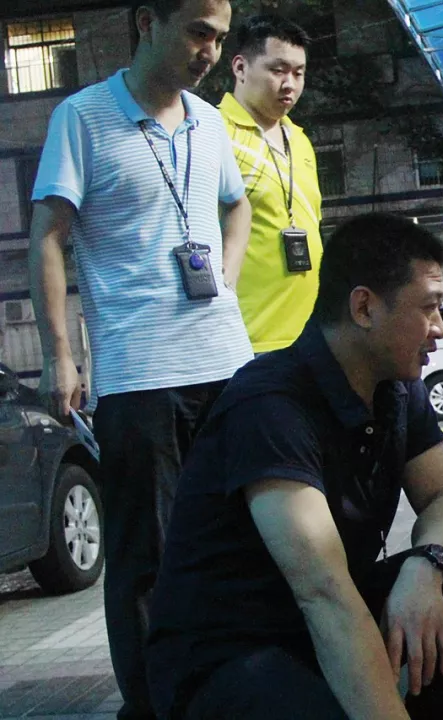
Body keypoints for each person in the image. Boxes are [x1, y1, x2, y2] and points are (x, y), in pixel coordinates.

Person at [145, 213, 443, 720]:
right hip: (230, 653)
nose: (439, 326)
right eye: (429, 307)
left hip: (319, 617)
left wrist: (426, 566)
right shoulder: (271, 405)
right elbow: (322, 595)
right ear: (364, 307)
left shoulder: (396, 386)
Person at [27, 1, 251, 717]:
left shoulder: (209, 122)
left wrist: (226, 283)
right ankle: (155, 706)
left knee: (240, 541)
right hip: (139, 376)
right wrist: (60, 354)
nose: (209, 51)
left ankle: (226, 686)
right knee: (146, 562)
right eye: (197, 32)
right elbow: (47, 237)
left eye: (219, 36)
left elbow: (237, 205)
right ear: (147, 22)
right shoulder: (83, 118)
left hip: (227, 365)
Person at [220, 13, 325, 353]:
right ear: (240, 68)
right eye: (278, 70)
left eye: (299, 73)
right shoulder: (213, 133)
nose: (290, 84)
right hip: (246, 341)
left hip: (312, 335)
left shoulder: (300, 140)